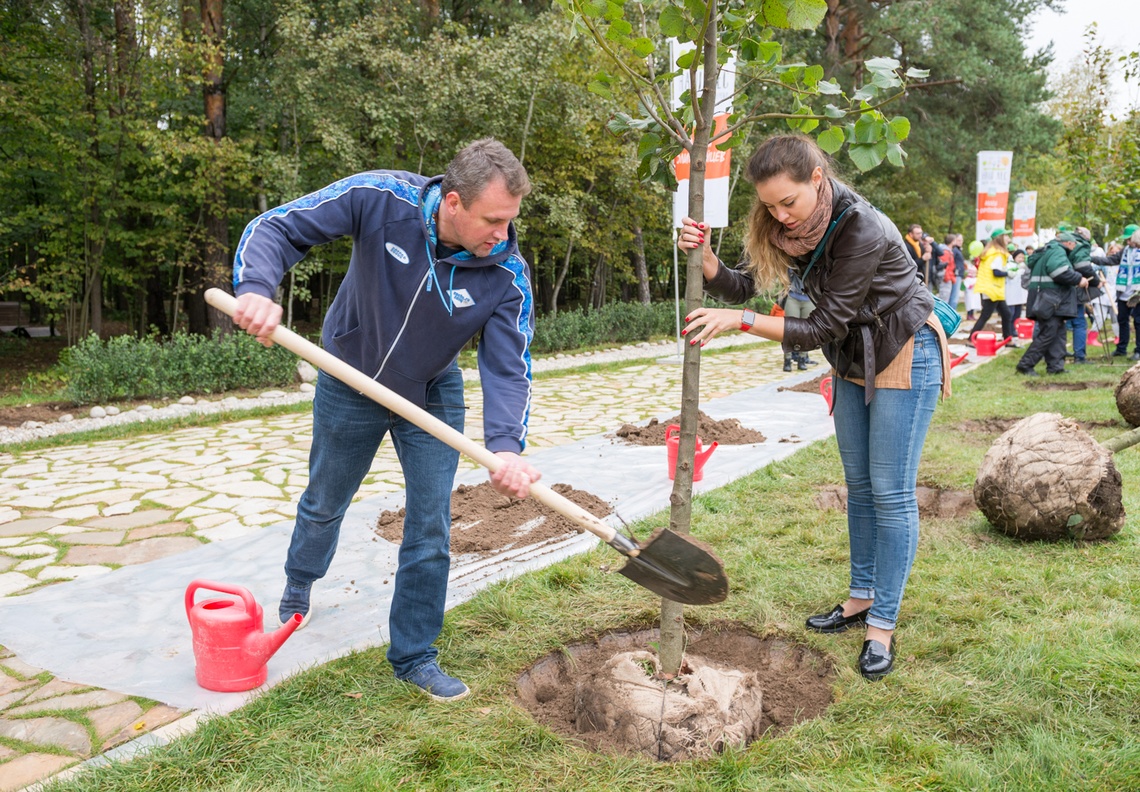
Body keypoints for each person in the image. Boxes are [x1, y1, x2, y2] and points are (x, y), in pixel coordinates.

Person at [230, 138, 542, 702]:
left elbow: (508, 368)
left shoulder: (507, 274)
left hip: (431, 393)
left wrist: (507, 446)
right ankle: (300, 582)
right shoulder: (379, 199)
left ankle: (415, 654)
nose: (504, 233)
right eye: (493, 220)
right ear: (452, 203)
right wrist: (256, 288)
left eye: (510, 220)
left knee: (430, 524)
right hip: (349, 377)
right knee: (325, 501)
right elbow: (277, 227)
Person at [678, 134, 950, 681]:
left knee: (892, 491)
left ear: (818, 180)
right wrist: (707, 260)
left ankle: (883, 625)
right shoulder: (785, 227)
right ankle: (860, 597)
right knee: (859, 486)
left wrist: (745, 323)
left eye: (789, 203)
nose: (779, 216)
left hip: (905, 347)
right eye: (769, 205)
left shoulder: (860, 228)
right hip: (852, 354)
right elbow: (744, 286)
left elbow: (819, 326)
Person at [1017, 232, 1090, 376]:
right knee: (1048, 333)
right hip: (1051, 299)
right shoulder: (1057, 251)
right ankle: (1025, 365)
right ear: (1068, 243)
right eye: (1074, 244)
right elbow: (1059, 272)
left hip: (1046, 298)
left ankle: (1055, 367)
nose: (1074, 247)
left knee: (1058, 332)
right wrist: (1078, 279)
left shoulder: (1048, 250)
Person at [1092, 228, 1140, 359]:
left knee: (1138, 321)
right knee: (1122, 320)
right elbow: (1110, 260)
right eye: (1127, 240)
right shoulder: (1125, 251)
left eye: (1130, 239)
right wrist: (1093, 259)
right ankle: (1121, 348)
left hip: (1137, 293)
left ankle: (1139, 350)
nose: (1128, 242)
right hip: (1123, 292)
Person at [966, 228, 1015, 344]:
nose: (1009, 238)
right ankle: (971, 339)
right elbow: (996, 272)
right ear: (1000, 239)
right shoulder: (997, 254)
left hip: (993, 289)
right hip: (992, 289)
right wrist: (1008, 273)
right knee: (986, 315)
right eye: (1006, 236)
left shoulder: (992, 252)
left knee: (1006, 314)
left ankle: (1008, 340)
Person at [781, 270, 819, 371]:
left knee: (806, 331)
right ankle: (787, 360)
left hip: (808, 299)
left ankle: (802, 359)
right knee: (789, 329)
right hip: (793, 297)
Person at [1005, 247, 1028, 323]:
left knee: (1018, 313)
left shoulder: (1024, 266)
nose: (1021, 259)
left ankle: (1014, 328)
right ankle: (1009, 329)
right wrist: (1017, 269)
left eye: (1022, 257)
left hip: (1020, 293)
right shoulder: (1009, 265)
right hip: (1011, 292)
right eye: (1019, 257)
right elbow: (1010, 275)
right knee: (1011, 313)